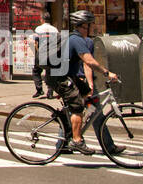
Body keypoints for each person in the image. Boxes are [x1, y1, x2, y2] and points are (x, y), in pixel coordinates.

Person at [45, 10, 116, 155]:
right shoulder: (76, 40)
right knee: (77, 106)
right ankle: (76, 140)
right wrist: (107, 73)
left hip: (68, 76)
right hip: (60, 78)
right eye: (90, 25)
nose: (92, 28)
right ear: (83, 26)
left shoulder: (78, 39)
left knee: (87, 96)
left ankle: (66, 128)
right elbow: (89, 61)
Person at [32, 20, 59, 99]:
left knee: (36, 71)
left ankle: (39, 89)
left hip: (41, 53)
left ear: (42, 20)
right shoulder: (55, 29)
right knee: (50, 72)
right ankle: (50, 92)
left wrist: (37, 53)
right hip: (52, 54)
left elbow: (35, 42)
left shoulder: (39, 29)